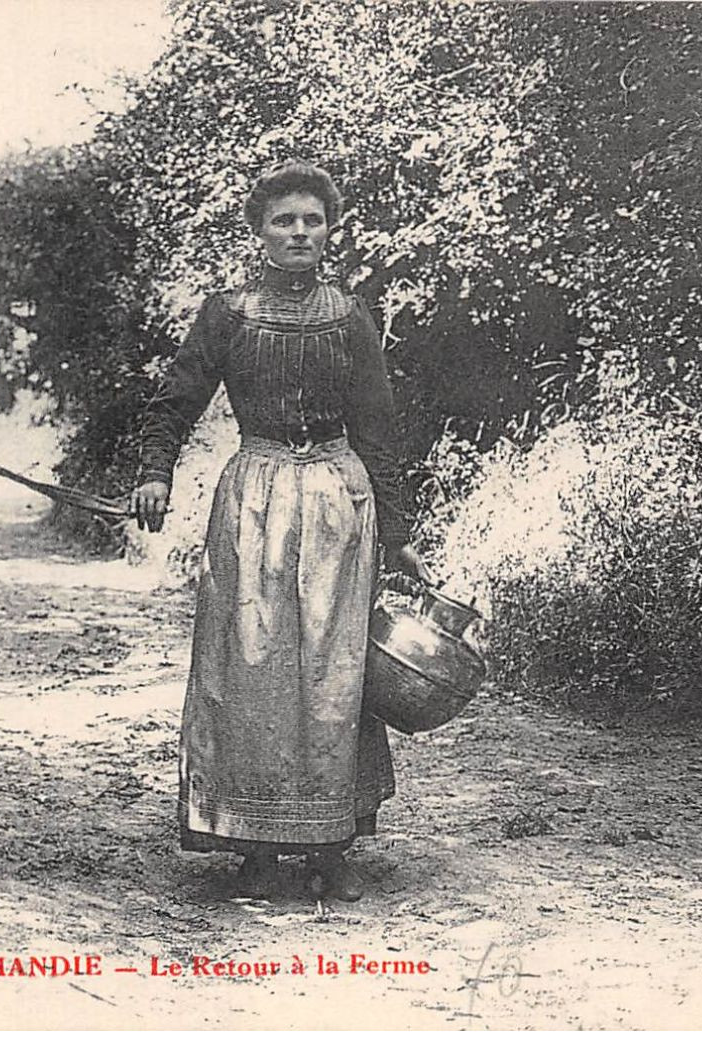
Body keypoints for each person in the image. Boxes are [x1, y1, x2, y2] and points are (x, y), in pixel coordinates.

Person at [130, 159, 429, 902]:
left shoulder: (351, 314)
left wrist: (397, 531)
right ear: (258, 231)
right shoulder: (226, 312)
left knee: (335, 675)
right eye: (282, 221)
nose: (298, 233)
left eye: (311, 220)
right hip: (254, 501)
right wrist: (154, 470)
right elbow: (176, 399)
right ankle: (254, 848)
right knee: (252, 669)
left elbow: (378, 428)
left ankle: (332, 846)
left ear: (329, 230)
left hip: (337, 498)